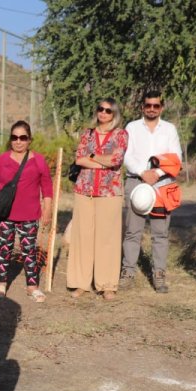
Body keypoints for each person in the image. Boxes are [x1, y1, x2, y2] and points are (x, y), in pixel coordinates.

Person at [120, 91, 183, 293]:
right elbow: (125, 155)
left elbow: (176, 157)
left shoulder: (170, 129)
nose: (152, 109)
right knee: (132, 232)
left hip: (162, 185)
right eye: (148, 105)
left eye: (156, 105)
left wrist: (155, 173)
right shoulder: (131, 127)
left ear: (161, 107)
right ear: (142, 107)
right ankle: (128, 272)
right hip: (135, 182)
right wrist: (141, 172)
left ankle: (159, 276)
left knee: (160, 233)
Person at [66, 98, 129, 300]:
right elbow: (79, 159)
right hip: (84, 189)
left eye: (108, 111)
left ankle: (107, 284)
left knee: (107, 238)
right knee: (82, 237)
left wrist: (92, 156)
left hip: (109, 191)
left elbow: (116, 160)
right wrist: (103, 161)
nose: (103, 113)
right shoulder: (87, 133)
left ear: (114, 114)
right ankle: (80, 282)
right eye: (100, 109)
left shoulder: (121, 135)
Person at [0, 120, 53, 301]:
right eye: (14, 137)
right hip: (5, 214)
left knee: (29, 250)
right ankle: (1, 282)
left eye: (22, 137)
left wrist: (47, 210)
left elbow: (47, 188)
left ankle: (32, 286)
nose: (18, 141)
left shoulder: (38, 160)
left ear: (29, 139)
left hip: (30, 215)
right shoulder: (2, 160)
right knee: (4, 248)